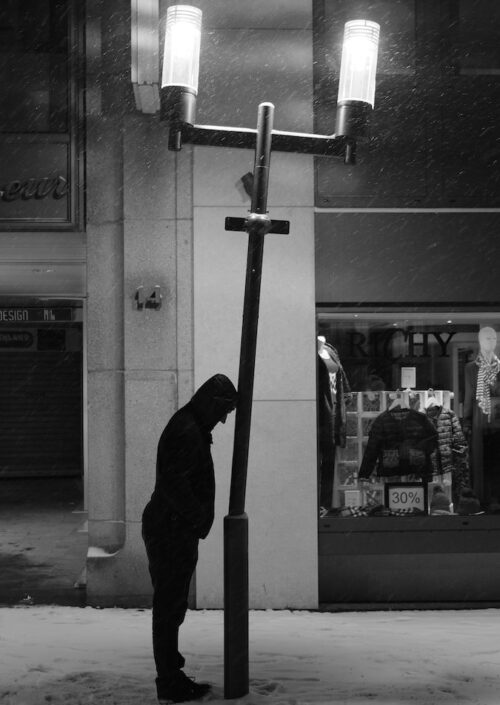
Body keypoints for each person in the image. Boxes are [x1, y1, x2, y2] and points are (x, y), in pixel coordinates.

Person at [142, 373, 238, 704]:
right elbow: (175, 484)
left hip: (173, 528)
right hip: (171, 530)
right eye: (224, 411)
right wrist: (198, 519)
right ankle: (168, 680)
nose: (224, 419)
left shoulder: (190, 425)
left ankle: (171, 674)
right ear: (212, 402)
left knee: (171, 605)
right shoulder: (187, 429)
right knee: (168, 606)